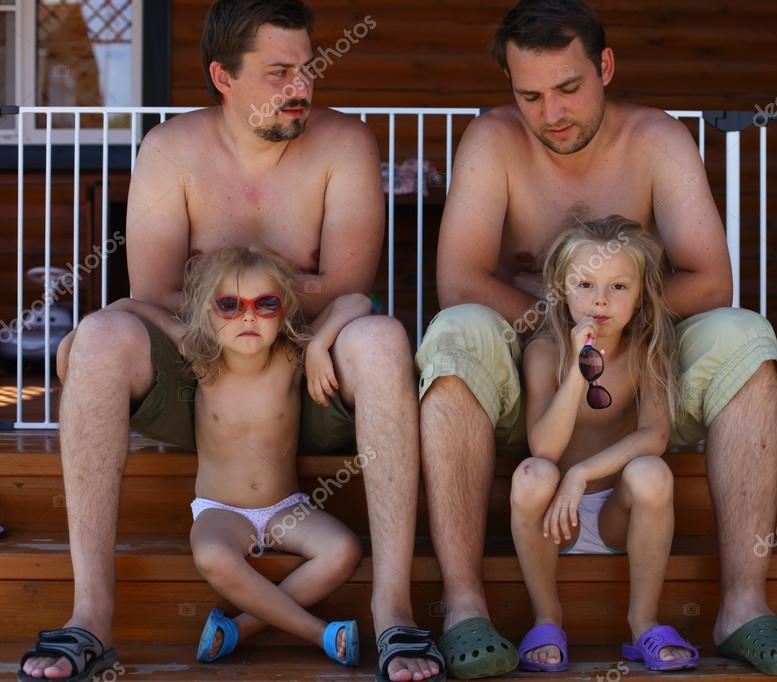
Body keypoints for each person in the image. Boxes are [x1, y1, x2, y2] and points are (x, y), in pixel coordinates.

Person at [20, 2, 440, 681]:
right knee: (99, 338)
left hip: (309, 378)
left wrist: (228, 292)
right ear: (224, 76)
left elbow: (347, 287)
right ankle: (90, 618)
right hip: (201, 381)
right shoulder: (171, 149)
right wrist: (275, 292)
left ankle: (393, 613)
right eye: (278, 72)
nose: (301, 86)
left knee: (382, 339)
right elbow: (157, 292)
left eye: (307, 68)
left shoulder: (346, 144)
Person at [416, 0, 777, 675]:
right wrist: (565, 330)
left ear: (604, 66)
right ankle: (464, 608)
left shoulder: (657, 138)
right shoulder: (492, 139)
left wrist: (614, 326)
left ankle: (742, 607)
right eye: (529, 96)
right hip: (534, 382)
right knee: (456, 329)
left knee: (745, 334)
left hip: (639, 373)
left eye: (568, 88)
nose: (551, 113)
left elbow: (710, 281)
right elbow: (459, 281)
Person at [106, 246, 366, 665]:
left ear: (283, 312)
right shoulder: (201, 359)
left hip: (286, 510)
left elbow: (356, 301)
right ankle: (318, 634)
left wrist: (320, 344)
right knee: (212, 557)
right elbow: (128, 306)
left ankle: (240, 628)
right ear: (207, 314)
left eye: (266, 304)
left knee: (344, 550)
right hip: (221, 511)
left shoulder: (291, 357)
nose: (248, 317)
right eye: (229, 305)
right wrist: (81, 340)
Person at [512, 216, 698, 672]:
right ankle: (546, 618)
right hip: (558, 520)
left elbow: (654, 435)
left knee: (652, 471)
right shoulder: (544, 353)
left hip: (619, 513)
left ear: (640, 296)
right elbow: (545, 448)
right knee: (532, 474)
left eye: (618, 287)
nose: (600, 300)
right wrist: (581, 368)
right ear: (561, 290)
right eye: (585, 285)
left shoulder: (646, 352)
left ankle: (643, 623)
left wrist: (582, 473)